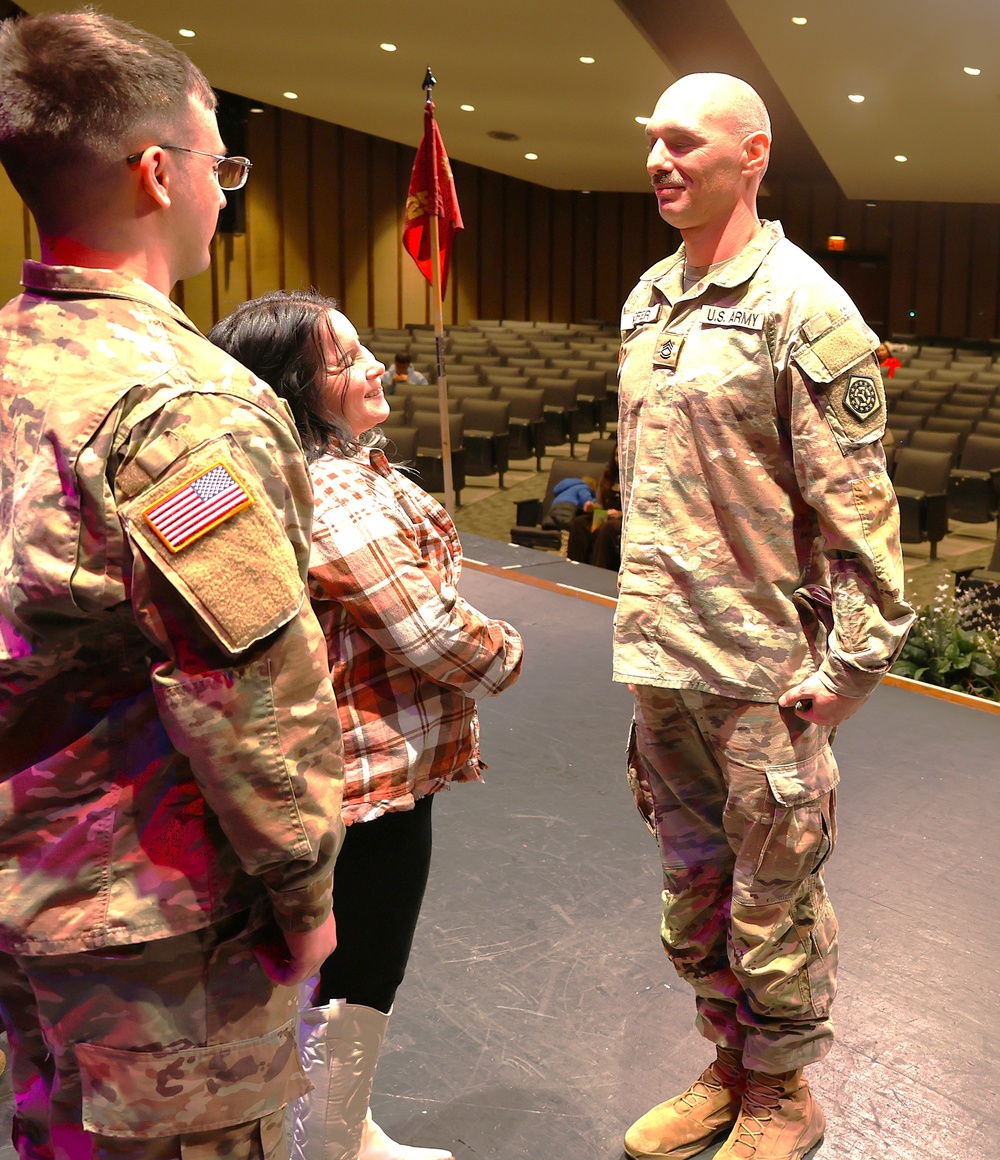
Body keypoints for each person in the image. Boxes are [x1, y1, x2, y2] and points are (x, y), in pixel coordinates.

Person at [0, 12, 344, 1159]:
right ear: (158, 172)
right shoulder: (186, 409)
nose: (221, 193)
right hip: (153, 934)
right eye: (220, 166)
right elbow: (245, 693)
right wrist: (305, 894)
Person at [616, 73, 914, 1160]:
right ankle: (730, 1062)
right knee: (692, 891)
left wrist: (853, 666)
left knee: (772, 896)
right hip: (663, 656)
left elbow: (860, 508)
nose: (660, 160)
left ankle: (784, 1091)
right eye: (653, 140)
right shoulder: (649, 298)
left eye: (684, 141)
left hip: (763, 670)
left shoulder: (804, 307)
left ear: (752, 154)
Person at [209, 290, 524, 1160]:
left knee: (331, 968)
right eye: (345, 361)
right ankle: (332, 1143)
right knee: (361, 969)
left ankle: (330, 1130)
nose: (376, 368)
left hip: (319, 768)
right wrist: (506, 651)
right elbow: (431, 633)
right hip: (366, 776)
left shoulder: (276, 471)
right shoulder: (335, 486)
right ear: (295, 388)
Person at [566, 445, 622, 571]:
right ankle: (574, 568)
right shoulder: (608, 476)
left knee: (608, 527)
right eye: (617, 455)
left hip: (623, 520)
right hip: (604, 515)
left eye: (622, 455)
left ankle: (598, 570)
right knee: (579, 523)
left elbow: (638, 509)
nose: (619, 459)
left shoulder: (635, 479)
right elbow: (600, 505)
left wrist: (619, 514)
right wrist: (592, 507)